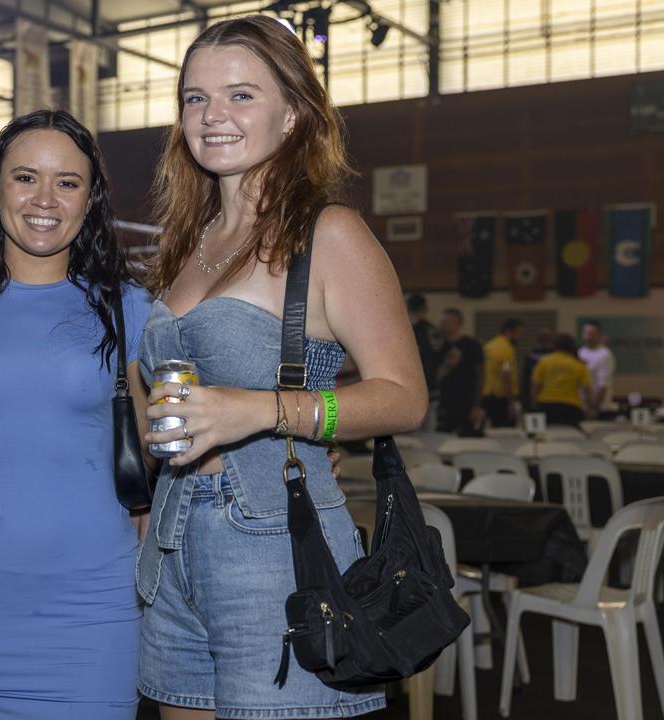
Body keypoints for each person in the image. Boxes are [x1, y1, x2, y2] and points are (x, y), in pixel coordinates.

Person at [136, 16, 426, 720]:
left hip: (275, 549)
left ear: (294, 113)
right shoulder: (188, 242)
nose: (212, 116)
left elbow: (403, 397)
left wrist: (264, 409)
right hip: (170, 546)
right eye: (195, 98)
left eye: (240, 95)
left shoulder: (328, 233)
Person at [0, 110, 152, 719]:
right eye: (25, 177)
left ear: (90, 201)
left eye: (68, 182)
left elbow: (157, 445)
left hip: (97, 596)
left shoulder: (130, 309)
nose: (45, 198)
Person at [435, 308, 483, 435]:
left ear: (455, 322)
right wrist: (449, 363)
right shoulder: (438, 346)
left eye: (444, 322)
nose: (440, 325)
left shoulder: (471, 344)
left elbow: (480, 376)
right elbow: (436, 377)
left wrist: (477, 405)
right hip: (444, 403)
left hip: (466, 403)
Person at [531, 333, 592, 426]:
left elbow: (536, 385)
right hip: (571, 407)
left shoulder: (544, 361)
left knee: (544, 437)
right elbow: (587, 389)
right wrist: (590, 407)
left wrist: (534, 403)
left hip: (546, 405)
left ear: (555, 346)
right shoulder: (579, 364)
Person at [408, 292, 444, 429]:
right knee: (430, 433)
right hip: (433, 388)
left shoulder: (408, 331)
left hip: (412, 389)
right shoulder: (435, 331)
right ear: (426, 308)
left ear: (408, 308)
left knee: (412, 434)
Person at [481, 318, 524, 427]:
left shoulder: (489, 346)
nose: (520, 337)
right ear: (509, 332)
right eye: (518, 333)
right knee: (506, 434)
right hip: (502, 399)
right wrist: (510, 403)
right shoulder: (507, 349)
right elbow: (505, 375)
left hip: (487, 397)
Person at [579, 320, 616, 417]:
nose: (588, 337)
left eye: (592, 334)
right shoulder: (580, 352)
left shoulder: (605, 354)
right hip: (582, 406)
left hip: (599, 408)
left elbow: (603, 385)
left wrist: (594, 408)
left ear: (599, 335)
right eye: (586, 333)